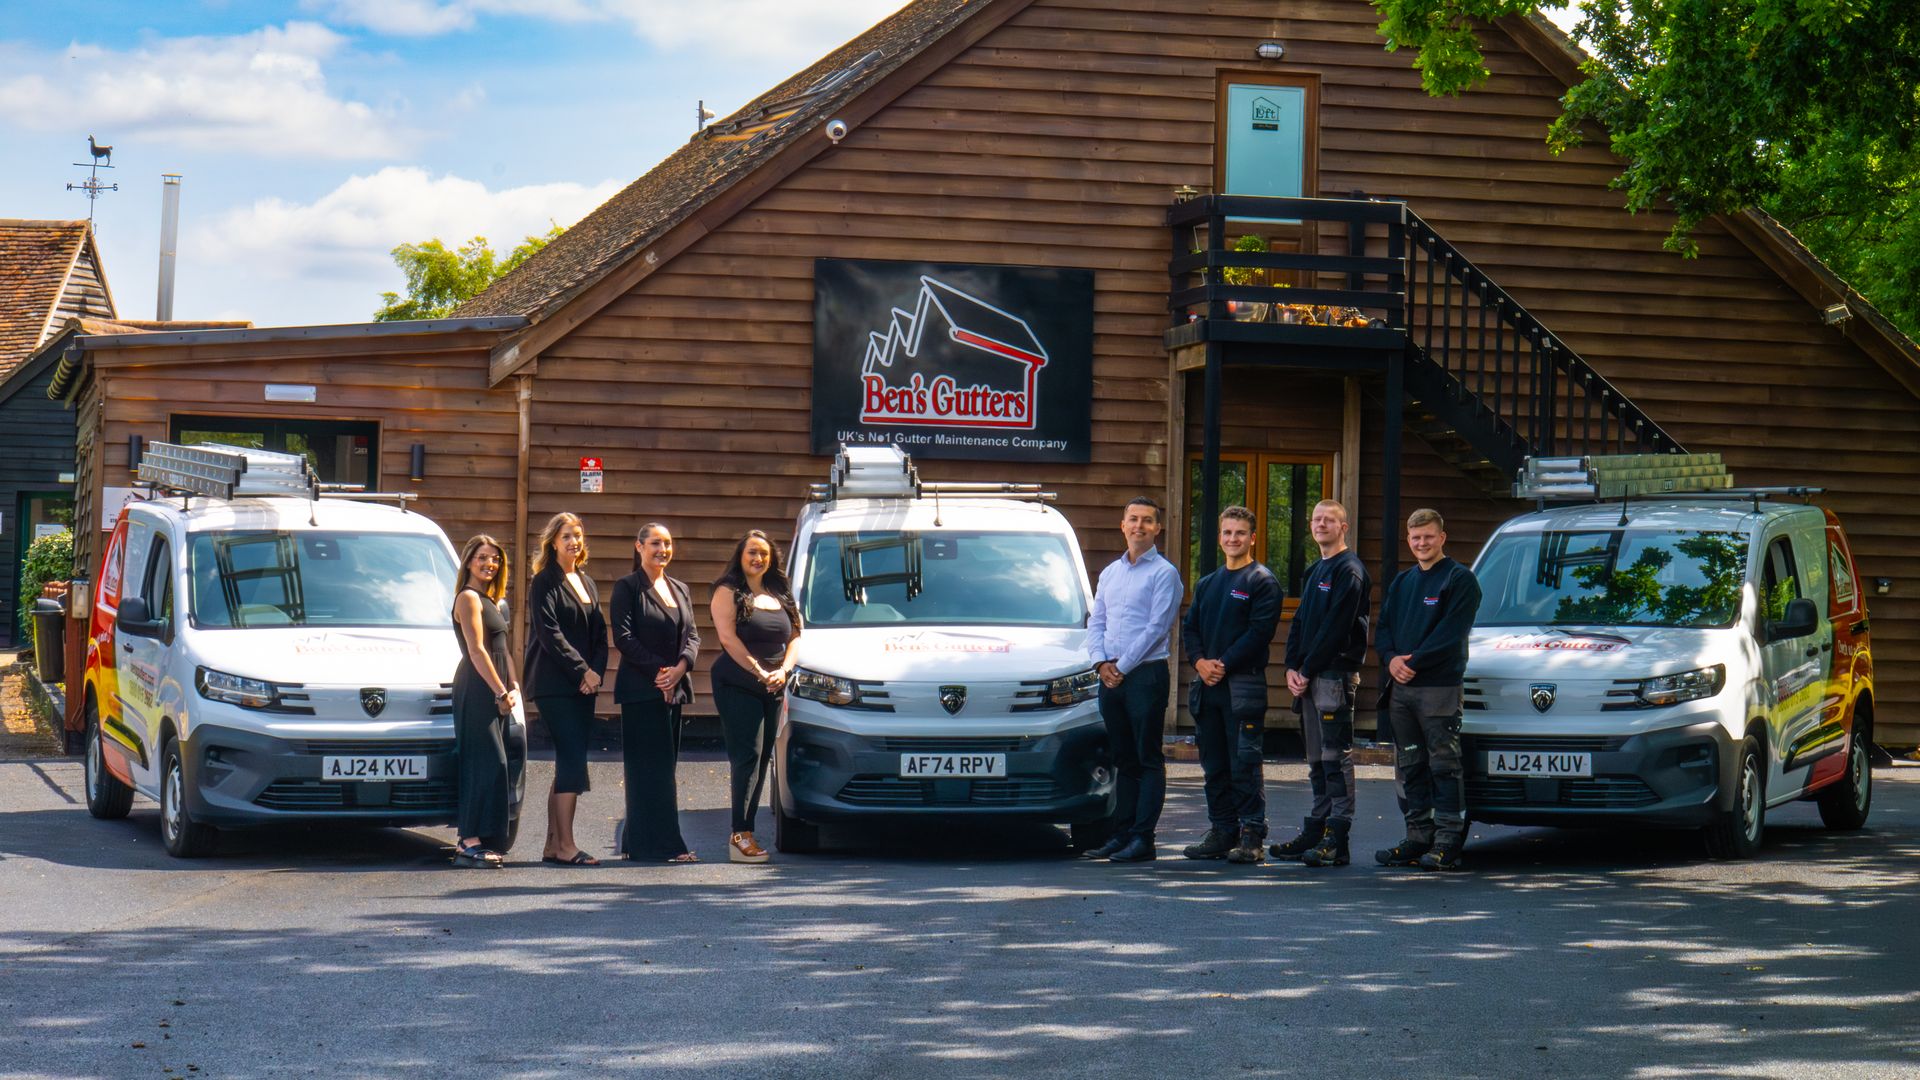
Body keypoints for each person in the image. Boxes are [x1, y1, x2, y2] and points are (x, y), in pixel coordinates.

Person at [1373, 508, 1482, 872]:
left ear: (1442, 538)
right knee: (1411, 765)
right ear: (1409, 540)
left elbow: (1451, 634)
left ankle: (1447, 841)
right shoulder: (1403, 583)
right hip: (1400, 690)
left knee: (1444, 766)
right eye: (1416, 538)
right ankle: (1418, 837)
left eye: (1429, 537)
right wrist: (1390, 659)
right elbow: (1384, 627)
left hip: (1439, 688)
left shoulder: (1459, 579)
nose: (1422, 543)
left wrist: (1413, 661)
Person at [1082, 496, 1182, 863]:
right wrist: (1099, 664)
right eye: (1133, 520)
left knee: (1147, 757)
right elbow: (1097, 622)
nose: (1139, 526)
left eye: (1147, 521)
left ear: (1157, 528)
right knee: (1123, 758)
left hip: (1145, 676)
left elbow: (1157, 628)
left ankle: (1144, 839)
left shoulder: (1164, 574)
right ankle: (1121, 834)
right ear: (1122, 526)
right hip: (1109, 676)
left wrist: (1120, 666)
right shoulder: (1110, 573)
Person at [1272, 499, 1372, 867]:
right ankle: (1316, 827)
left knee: (1335, 758)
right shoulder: (1316, 569)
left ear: (1343, 527)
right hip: (1309, 677)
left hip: (1333, 676)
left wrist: (1308, 668)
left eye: (1330, 520)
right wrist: (1291, 667)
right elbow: (1299, 623)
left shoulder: (1350, 570)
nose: (1321, 524)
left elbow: (1336, 628)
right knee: (1315, 759)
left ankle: (1337, 838)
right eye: (1316, 519)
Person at [1180, 506, 1282, 864]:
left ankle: (1252, 836)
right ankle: (1222, 831)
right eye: (1227, 533)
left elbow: (1259, 633)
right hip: (1207, 687)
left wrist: (1222, 663)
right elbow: (1189, 628)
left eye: (1240, 533)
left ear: (1252, 538)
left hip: (1243, 687)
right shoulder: (1208, 584)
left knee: (1244, 764)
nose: (1233, 539)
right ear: (1220, 537)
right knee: (1214, 764)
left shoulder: (1262, 581)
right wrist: (1200, 662)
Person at [610, 523, 701, 863]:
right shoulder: (627, 588)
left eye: (667, 543)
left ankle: (636, 840)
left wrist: (679, 669)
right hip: (640, 690)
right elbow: (624, 637)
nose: (662, 549)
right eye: (655, 543)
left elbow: (693, 635)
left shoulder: (680, 588)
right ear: (639, 546)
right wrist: (659, 673)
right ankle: (666, 845)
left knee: (664, 769)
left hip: (674, 689)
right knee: (644, 770)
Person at [710, 530, 802, 863]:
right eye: (751, 552)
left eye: (763, 553)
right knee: (747, 755)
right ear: (740, 555)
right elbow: (728, 639)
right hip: (737, 682)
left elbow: (796, 636)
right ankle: (739, 835)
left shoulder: (780, 591)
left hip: (774, 685)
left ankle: (746, 831)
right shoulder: (728, 591)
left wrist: (785, 671)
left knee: (763, 757)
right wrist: (759, 672)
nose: (758, 558)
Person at [525, 511, 609, 867]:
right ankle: (567, 845)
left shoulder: (586, 582)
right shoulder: (543, 582)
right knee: (572, 758)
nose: (573, 541)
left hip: (584, 685)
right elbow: (549, 634)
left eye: (577, 535)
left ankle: (552, 844)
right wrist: (581, 672)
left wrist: (596, 674)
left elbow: (599, 634)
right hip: (554, 683)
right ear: (553, 543)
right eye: (566, 536)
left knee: (567, 762)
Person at [450, 535, 519, 868]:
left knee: (499, 763)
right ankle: (467, 840)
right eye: (482, 558)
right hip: (477, 689)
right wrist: (499, 690)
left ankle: (486, 837)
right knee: (485, 761)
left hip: (498, 690)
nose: (489, 564)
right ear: (468, 561)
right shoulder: (468, 598)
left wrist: (514, 686)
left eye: (495, 559)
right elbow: (477, 650)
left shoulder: (493, 600)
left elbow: (504, 650)